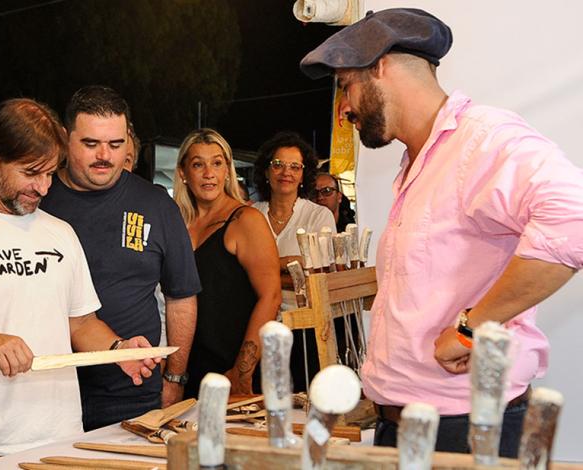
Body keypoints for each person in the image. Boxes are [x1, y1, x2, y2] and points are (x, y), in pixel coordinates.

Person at [300, 7, 583, 456]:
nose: (345, 107)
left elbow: (574, 218)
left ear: (381, 65)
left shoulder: (481, 141)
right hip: (408, 423)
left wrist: (474, 325)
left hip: (464, 429)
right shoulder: (419, 160)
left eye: (346, 86)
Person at [0, 98, 158, 469]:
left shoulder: (60, 233)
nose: (42, 188)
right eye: (30, 172)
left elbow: (81, 323)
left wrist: (118, 350)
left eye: (50, 174)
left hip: (62, 439)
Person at [40, 85, 200, 430]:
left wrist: (174, 377)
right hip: (45, 388)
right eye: (90, 144)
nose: (105, 156)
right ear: (66, 139)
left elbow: (182, 298)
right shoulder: (39, 198)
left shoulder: (157, 204)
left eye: (115, 144)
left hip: (134, 390)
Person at [173, 128, 281, 398]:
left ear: (227, 170)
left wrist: (242, 371)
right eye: (198, 164)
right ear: (184, 173)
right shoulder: (176, 224)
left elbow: (271, 296)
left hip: (232, 371)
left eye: (217, 163)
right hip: (188, 370)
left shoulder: (245, 220)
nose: (209, 173)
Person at [251, 131, 335, 392]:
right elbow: (238, 269)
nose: (285, 172)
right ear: (266, 171)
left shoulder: (318, 216)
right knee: (259, 402)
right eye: (278, 164)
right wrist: (288, 264)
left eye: (294, 166)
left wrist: (261, 267)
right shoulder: (251, 213)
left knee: (304, 399)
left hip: (304, 326)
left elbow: (315, 271)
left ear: (303, 175)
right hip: (256, 324)